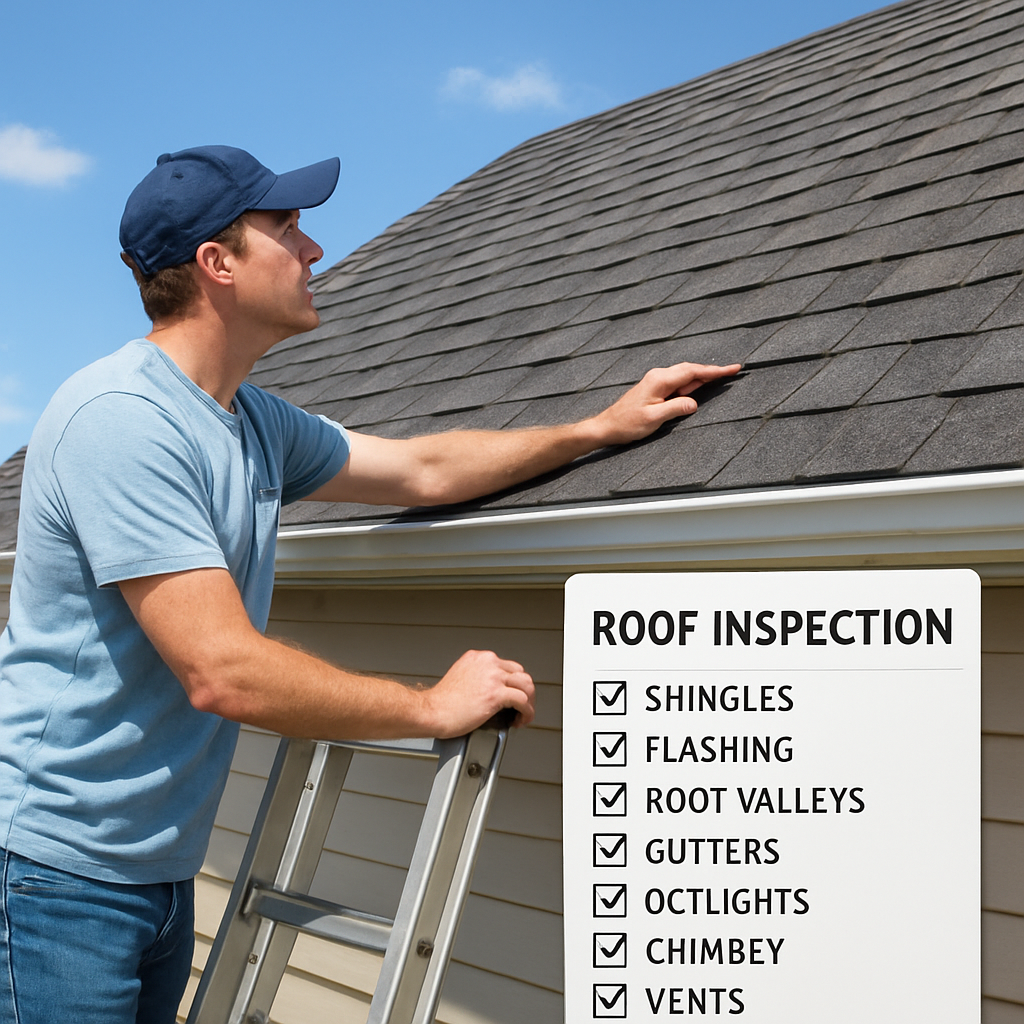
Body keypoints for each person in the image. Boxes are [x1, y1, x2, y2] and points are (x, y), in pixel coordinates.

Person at [0, 145, 739, 1022]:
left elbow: (425, 469)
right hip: (54, 875)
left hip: (154, 871)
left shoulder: (250, 421)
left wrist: (599, 428)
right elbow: (223, 671)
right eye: (287, 229)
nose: (313, 250)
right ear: (218, 262)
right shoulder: (123, 420)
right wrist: (431, 707)